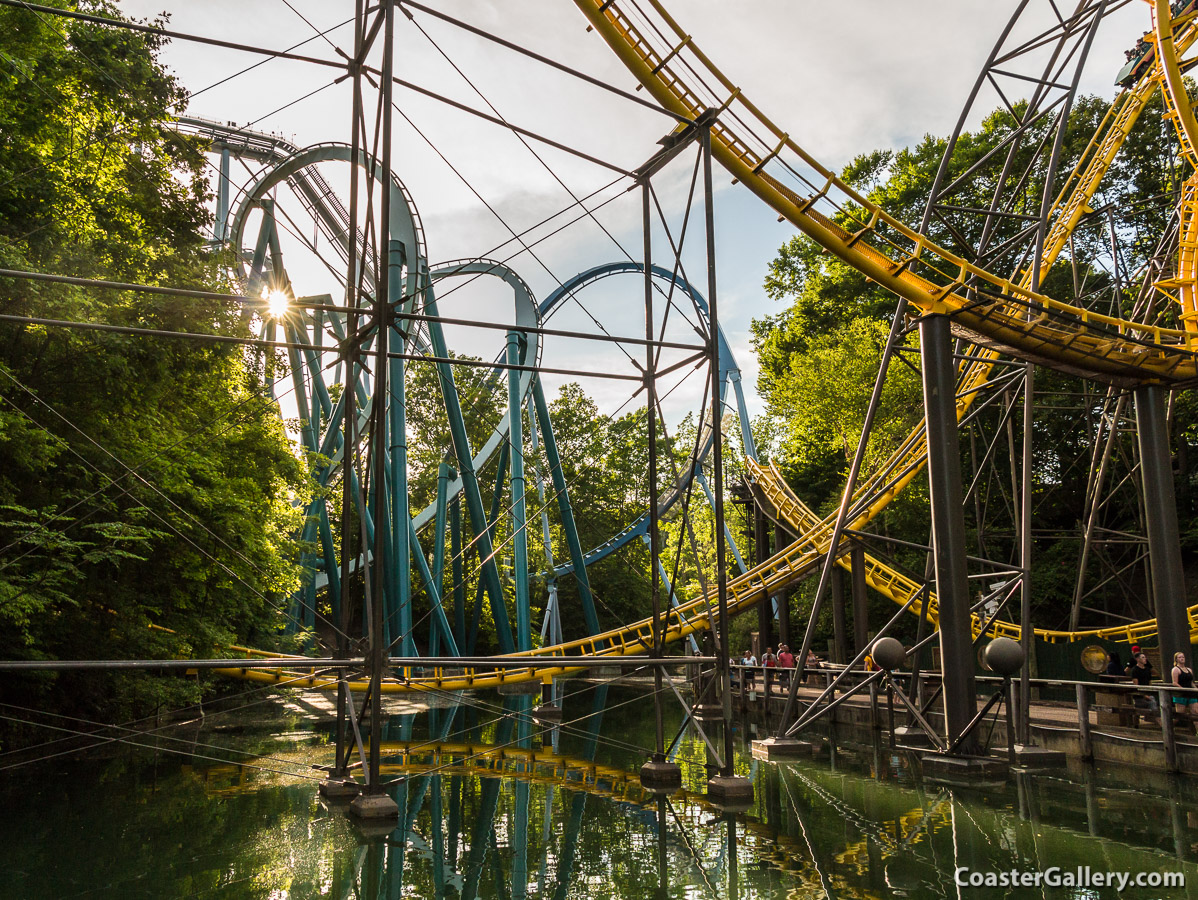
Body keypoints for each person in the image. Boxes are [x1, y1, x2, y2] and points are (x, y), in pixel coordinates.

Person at [1125, 652, 1159, 718]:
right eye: (1143, 657)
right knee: (1152, 703)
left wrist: (1149, 692)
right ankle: (1159, 721)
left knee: (1153, 701)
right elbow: (1136, 685)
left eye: (1145, 657)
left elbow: (1149, 682)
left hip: (1148, 693)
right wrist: (1144, 695)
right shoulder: (1135, 670)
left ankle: (1156, 719)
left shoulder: (1147, 670)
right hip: (1140, 696)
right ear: (1138, 659)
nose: (1145, 659)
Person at [1173, 652, 1196, 716]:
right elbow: (1174, 683)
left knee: (1196, 712)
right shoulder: (1175, 669)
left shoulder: (1189, 669)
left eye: (1183, 657)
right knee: (1180, 714)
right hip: (1181, 694)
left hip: (1191, 693)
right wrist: (1183, 689)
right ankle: (1165, 724)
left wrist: (1196, 689)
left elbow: (1191, 682)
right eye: (1180, 657)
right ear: (1176, 659)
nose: (1182, 658)